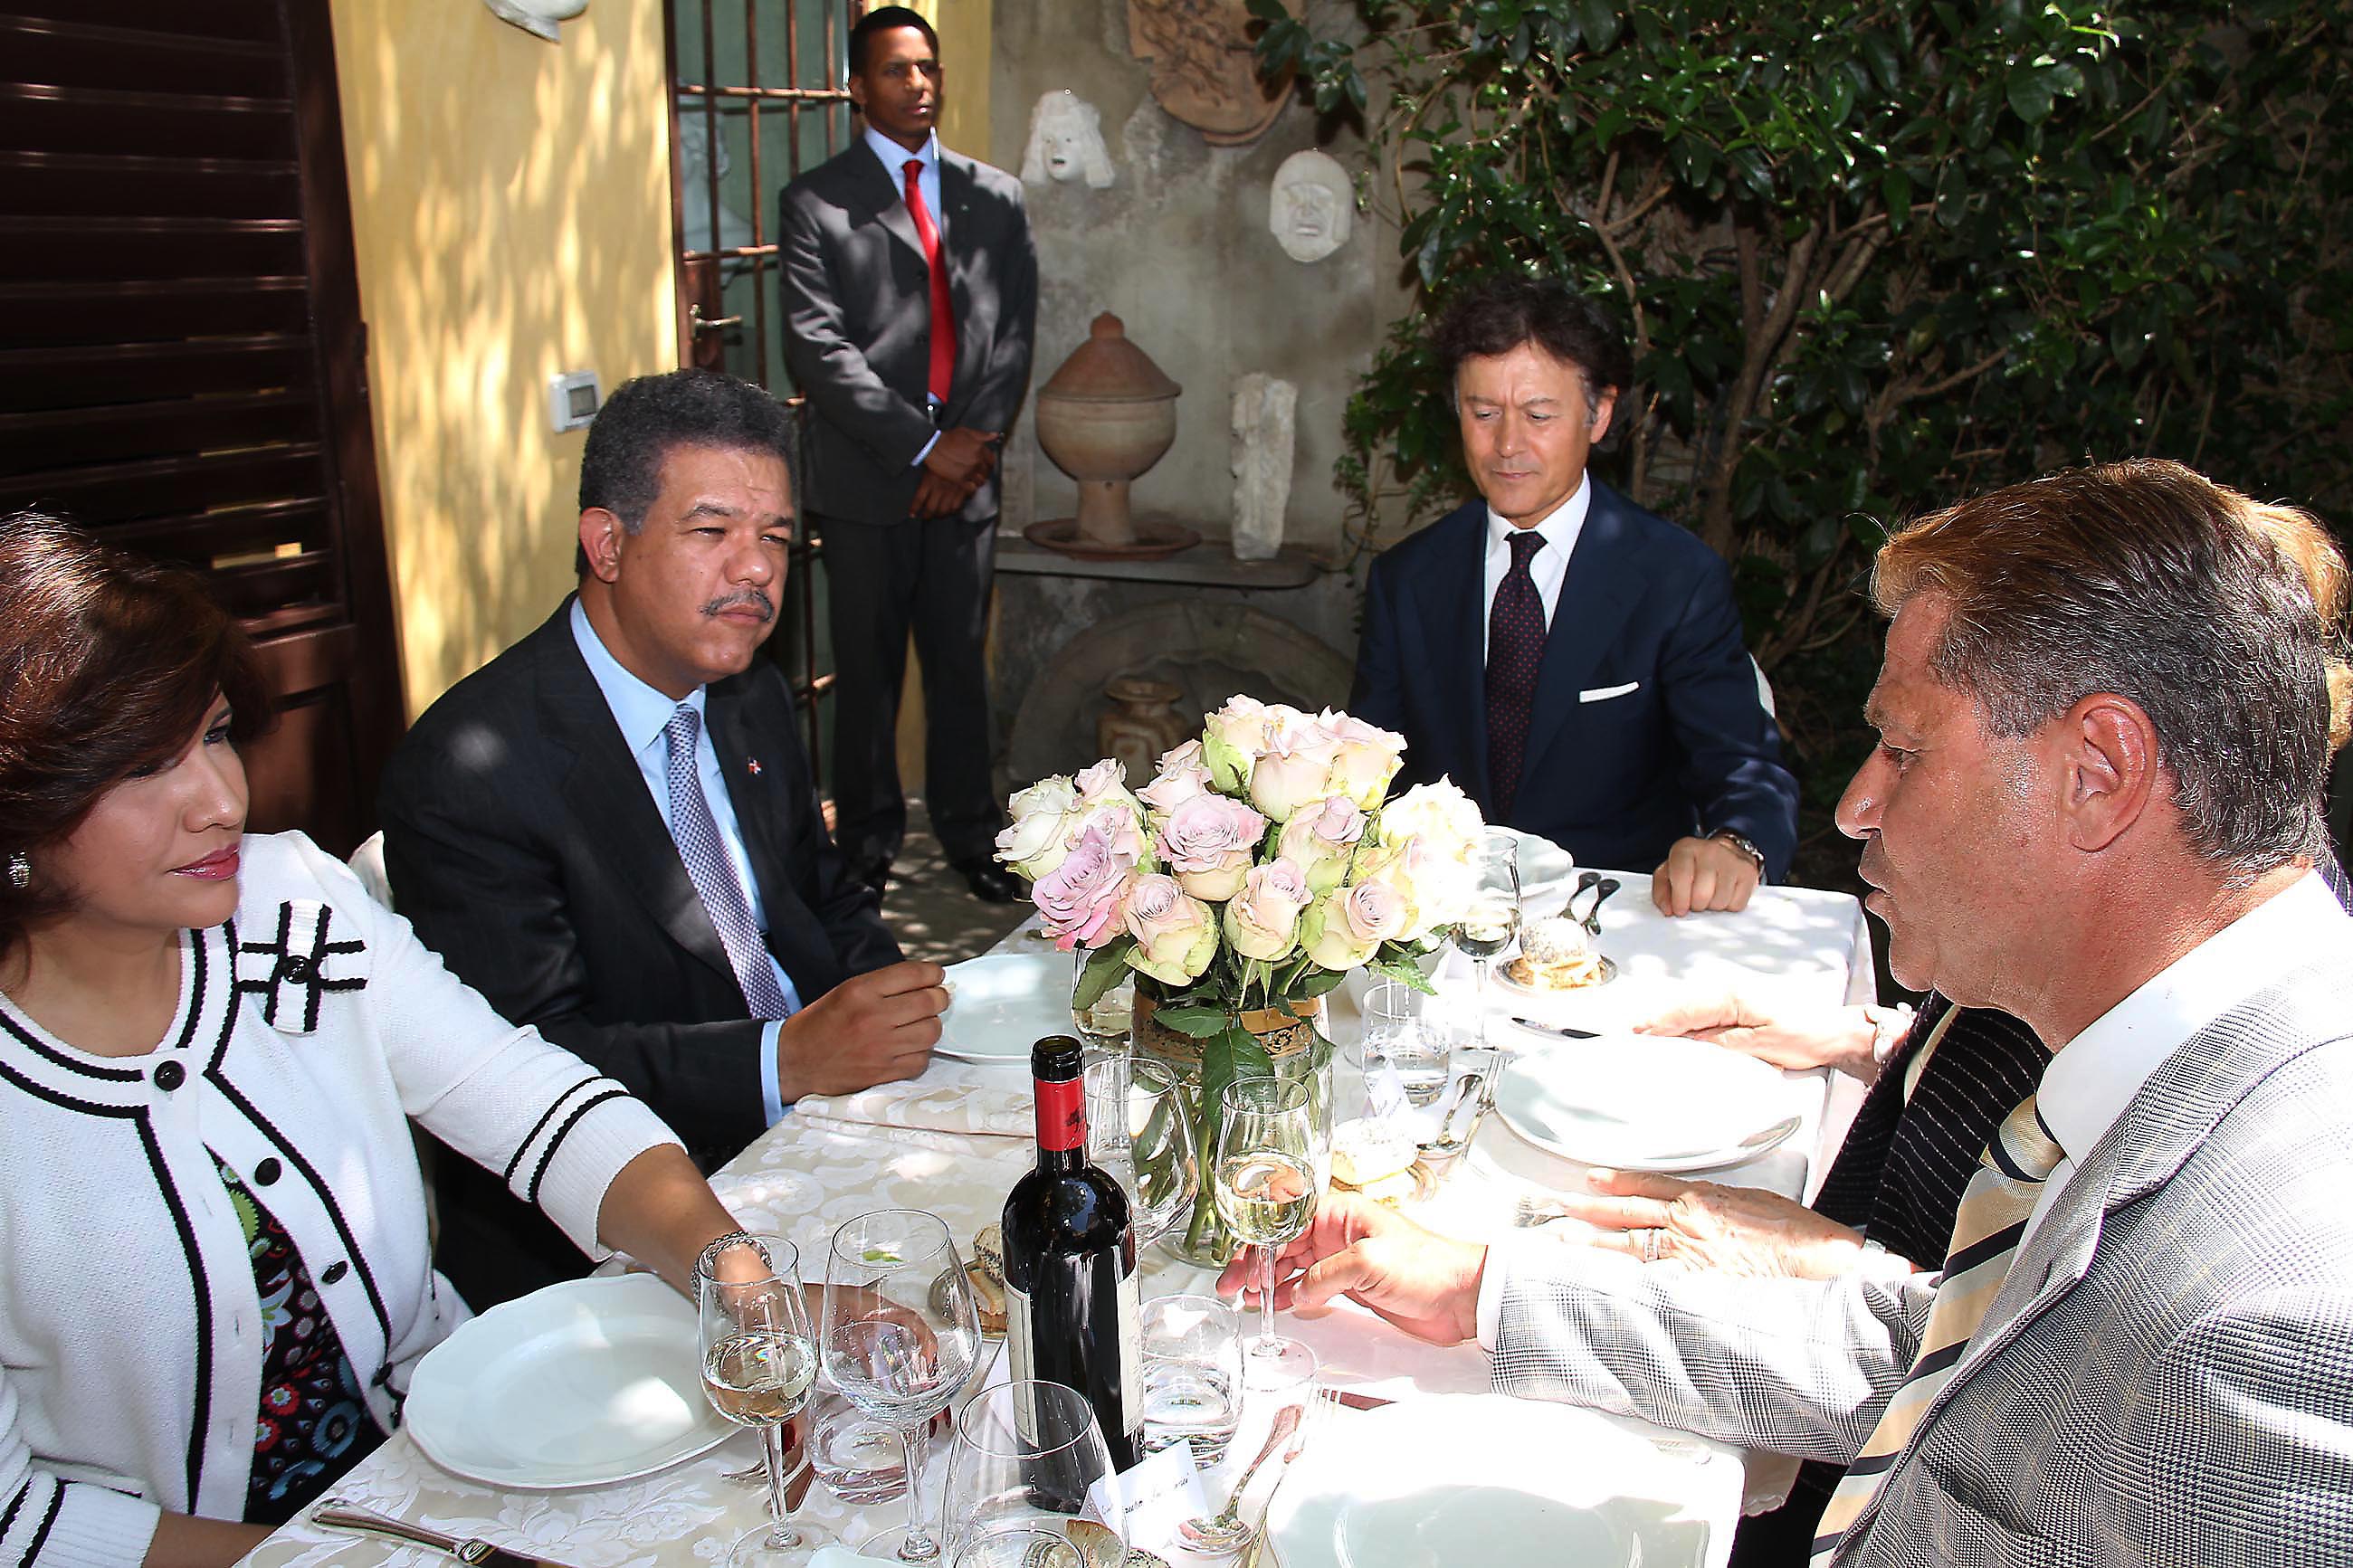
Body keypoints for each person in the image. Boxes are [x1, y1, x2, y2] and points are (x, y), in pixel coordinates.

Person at [1239, 460, 2353, 1563]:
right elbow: (1961, 1363)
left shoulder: (2279, 1320)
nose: (1857, 803)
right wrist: (1484, 1289)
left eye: (1904, 749)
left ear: (2098, 770)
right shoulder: (2192, 1065)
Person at [0, 518, 750, 1567]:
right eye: (141, 767)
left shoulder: (291, 905)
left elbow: (530, 1101)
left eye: (215, 734)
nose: (219, 801)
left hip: (441, 1481)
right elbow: (17, 1519)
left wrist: (735, 1273)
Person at [378, 368, 945, 1309]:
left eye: (771, 536)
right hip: (613, 1235)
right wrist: (784, 1059)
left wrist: (885, 1010)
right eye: (712, 531)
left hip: (815, 1138)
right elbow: (529, 1062)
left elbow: (824, 895)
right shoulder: (469, 768)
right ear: (607, 543)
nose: (757, 569)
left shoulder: (746, 692)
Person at [1350, 274, 1799, 917]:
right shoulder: (1408, 578)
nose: (1507, 445)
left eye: (1538, 415)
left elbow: (1742, 765)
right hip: (1444, 924)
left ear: (1600, 413)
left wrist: (1736, 844)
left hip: (1620, 919)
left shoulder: (1674, 578)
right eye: (1483, 413)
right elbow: (1370, 772)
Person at [778, 5, 1037, 905]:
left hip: (963, 486)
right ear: (858, 88)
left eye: (927, 67)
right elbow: (820, 351)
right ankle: (866, 847)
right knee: (869, 673)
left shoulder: (993, 198)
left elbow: (1012, 339)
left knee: (960, 667)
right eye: (895, 70)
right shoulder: (815, 202)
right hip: (865, 483)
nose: (918, 84)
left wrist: (962, 458)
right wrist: (925, 448)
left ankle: (971, 835)